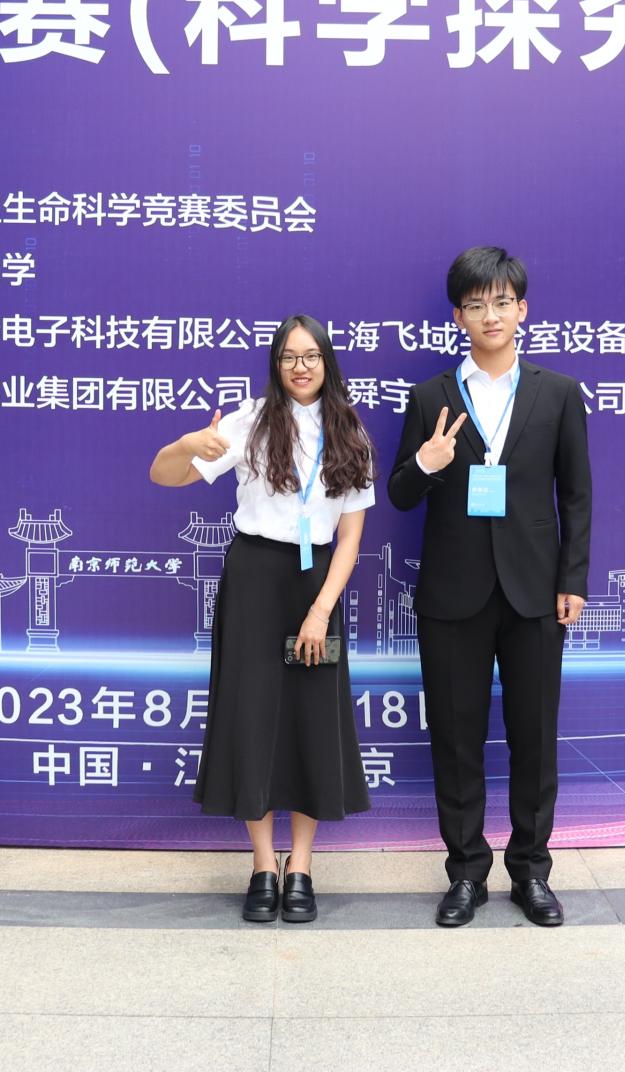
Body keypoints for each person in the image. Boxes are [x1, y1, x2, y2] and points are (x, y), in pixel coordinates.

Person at [389, 247, 593, 927]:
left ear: (522, 309)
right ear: (459, 317)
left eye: (502, 302)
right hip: (454, 594)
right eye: (476, 305)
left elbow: (577, 494)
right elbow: (400, 494)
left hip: (535, 592)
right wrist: (427, 461)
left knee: (535, 739)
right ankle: (466, 874)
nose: (490, 315)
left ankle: (531, 872)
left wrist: (572, 579)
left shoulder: (557, 393)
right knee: (456, 740)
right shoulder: (430, 398)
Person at [148, 315, 375, 923]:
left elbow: (351, 538)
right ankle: (263, 866)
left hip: (316, 583)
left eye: (311, 355)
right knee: (252, 718)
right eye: (289, 357)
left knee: (310, 720)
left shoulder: (350, 430)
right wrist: (186, 445)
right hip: (254, 579)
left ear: (327, 362)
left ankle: (301, 867)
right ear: (276, 365)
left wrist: (321, 611)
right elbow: (163, 475)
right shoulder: (248, 421)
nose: (301, 367)